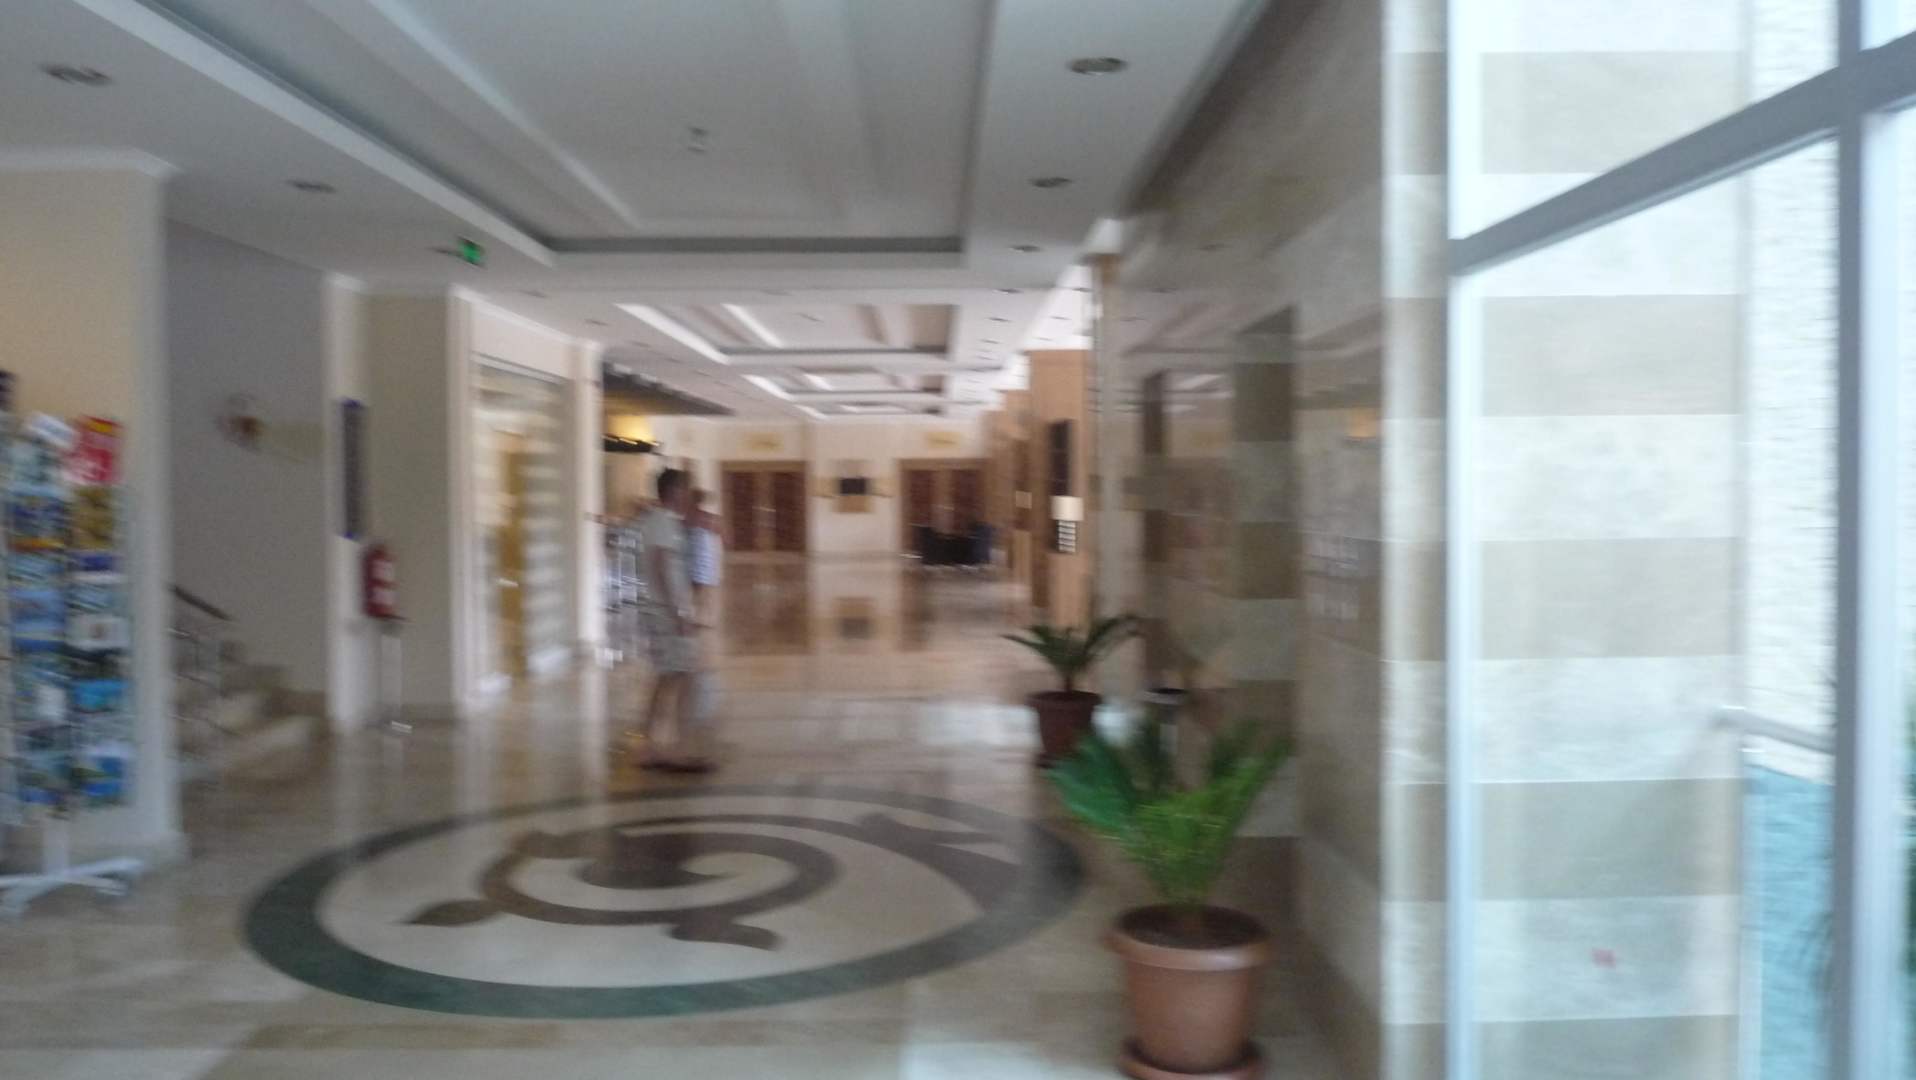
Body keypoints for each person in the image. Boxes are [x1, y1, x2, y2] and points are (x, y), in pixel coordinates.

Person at [626, 468, 711, 773]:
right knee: (687, 676)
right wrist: (679, 614)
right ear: (675, 491)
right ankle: (678, 749)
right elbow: (661, 567)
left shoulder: (654, 521)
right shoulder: (663, 522)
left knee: (665, 677)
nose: (688, 496)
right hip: (666, 613)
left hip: (658, 611)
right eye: (685, 490)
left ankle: (648, 747)